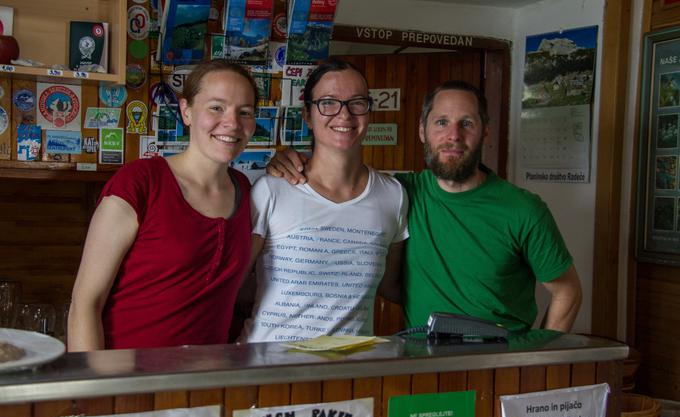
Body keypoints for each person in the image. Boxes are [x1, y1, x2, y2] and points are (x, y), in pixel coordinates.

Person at [267, 80, 582, 333]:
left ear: (485, 131)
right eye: (441, 122)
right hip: (422, 364)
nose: (453, 136)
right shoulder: (398, 194)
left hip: (499, 365)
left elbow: (567, 291)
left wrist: (541, 360)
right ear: (422, 131)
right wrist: (285, 160)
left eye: (467, 124)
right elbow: (342, 184)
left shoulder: (523, 209)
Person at [68, 60, 259, 350]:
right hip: (126, 381)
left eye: (244, 112)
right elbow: (85, 303)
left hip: (205, 381)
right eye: (216, 107)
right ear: (187, 111)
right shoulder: (140, 182)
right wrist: (94, 391)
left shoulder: (245, 190)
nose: (232, 122)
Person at [240, 59, 409, 342]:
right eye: (328, 103)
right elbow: (233, 285)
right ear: (307, 114)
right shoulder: (272, 189)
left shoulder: (393, 195)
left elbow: (392, 286)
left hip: (348, 374)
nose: (344, 115)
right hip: (269, 371)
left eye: (357, 102)